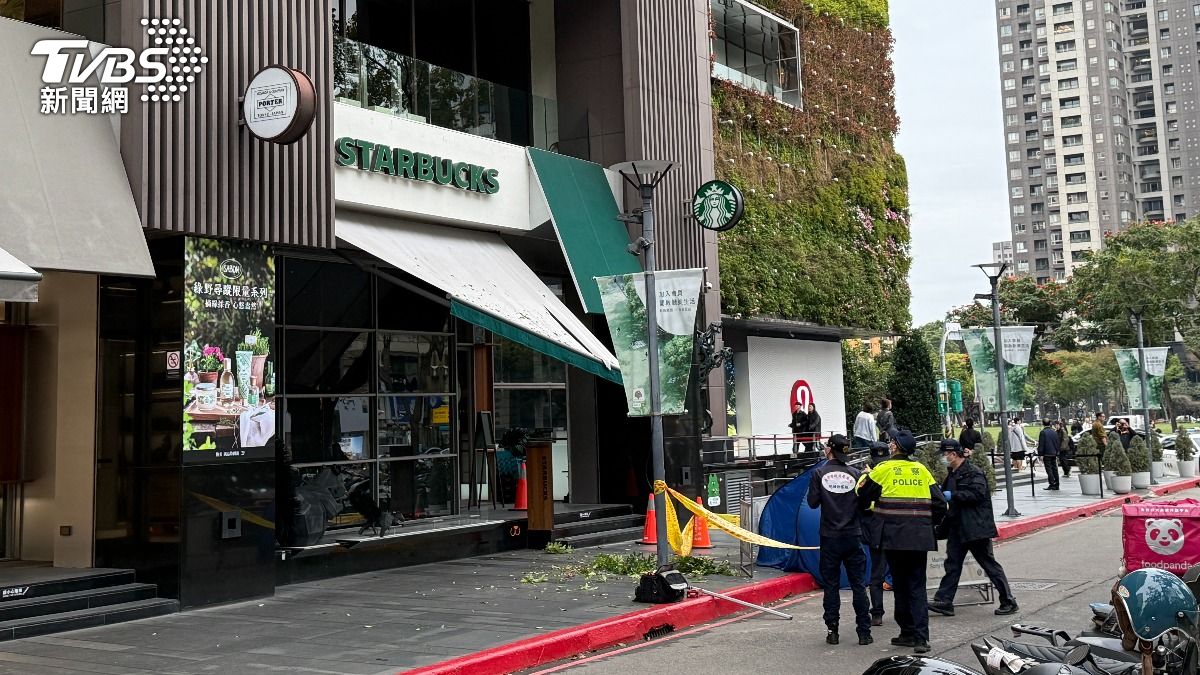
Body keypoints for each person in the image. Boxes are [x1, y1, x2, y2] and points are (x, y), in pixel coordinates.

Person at [856, 428, 948, 654]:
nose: (889, 444)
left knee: (900, 584)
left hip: (893, 537)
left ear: (895, 447)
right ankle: (919, 637)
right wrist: (925, 524)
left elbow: (863, 496)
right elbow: (940, 505)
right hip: (919, 539)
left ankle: (907, 631)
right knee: (916, 585)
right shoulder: (921, 470)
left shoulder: (883, 469)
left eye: (891, 441)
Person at [928, 439, 1019, 618]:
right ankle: (944, 601)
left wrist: (952, 495)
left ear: (953, 454)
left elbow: (977, 494)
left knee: (989, 565)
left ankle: (1008, 600)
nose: (943, 458)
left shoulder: (973, 472)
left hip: (975, 528)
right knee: (952, 565)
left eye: (945, 455)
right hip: (958, 527)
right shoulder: (952, 473)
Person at [807, 434, 872, 646]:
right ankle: (864, 632)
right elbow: (864, 505)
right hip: (853, 536)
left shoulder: (819, 473)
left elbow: (813, 503)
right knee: (858, 585)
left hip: (830, 537)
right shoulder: (856, 474)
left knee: (831, 585)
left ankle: (832, 631)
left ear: (830, 450)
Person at [862, 440, 892, 627]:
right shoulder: (893, 473)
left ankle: (877, 613)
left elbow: (862, 501)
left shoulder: (869, 477)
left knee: (877, 574)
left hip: (877, 532)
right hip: (898, 530)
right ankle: (908, 613)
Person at [1036, 419, 1060, 491]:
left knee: (1049, 469)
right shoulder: (1054, 432)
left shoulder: (1043, 432)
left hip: (1047, 453)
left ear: (1043, 424)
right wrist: (1057, 452)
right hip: (1053, 453)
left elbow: (1041, 444)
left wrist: (1040, 454)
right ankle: (1057, 484)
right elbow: (1057, 443)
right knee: (1054, 468)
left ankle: (1052, 483)